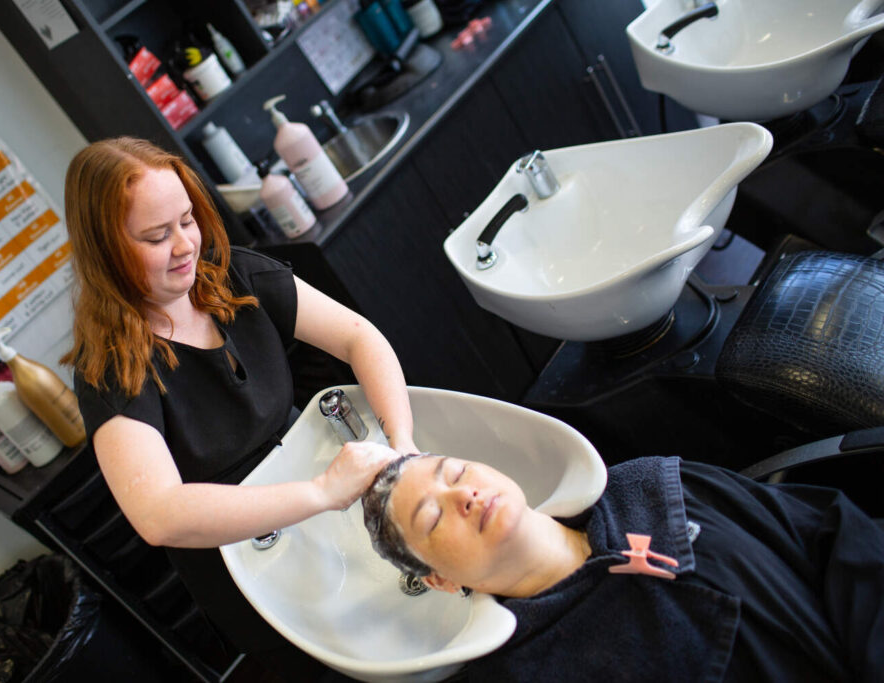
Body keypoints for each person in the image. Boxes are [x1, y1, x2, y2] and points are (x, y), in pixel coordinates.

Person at [61, 137, 417, 670]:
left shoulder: (233, 277)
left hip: (332, 505)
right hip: (251, 561)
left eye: (186, 220)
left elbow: (359, 339)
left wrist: (402, 446)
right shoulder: (113, 371)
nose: (184, 245)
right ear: (106, 251)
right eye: (157, 236)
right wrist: (321, 492)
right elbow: (160, 515)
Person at [361, 450, 884, 682]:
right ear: (441, 580)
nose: (464, 495)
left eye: (457, 471)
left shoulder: (652, 486)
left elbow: (829, 533)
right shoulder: (524, 672)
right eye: (432, 516)